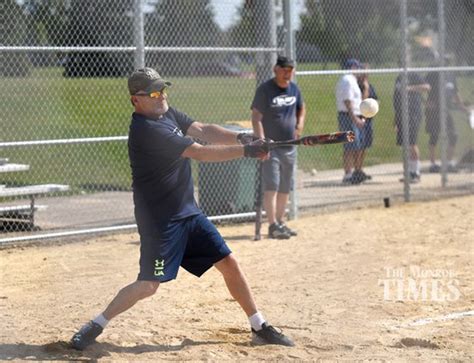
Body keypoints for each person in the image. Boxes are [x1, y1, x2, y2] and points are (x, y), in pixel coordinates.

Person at [70, 67, 294, 350]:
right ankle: (95, 325)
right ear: (136, 100)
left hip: (189, 213)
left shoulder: (167, 114)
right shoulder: (147, 129)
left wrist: (241, 137)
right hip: (161, 222)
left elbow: (203, 130)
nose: (161, 95)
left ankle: (258, 324)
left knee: (229, 264)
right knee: (148, 285)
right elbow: (199, 151)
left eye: (163, 88)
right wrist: (247, 151)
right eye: (153, 92)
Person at [251, 55, 306, 240]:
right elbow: (256, 117)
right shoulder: (265, 90)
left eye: (290, 70)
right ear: (276, 69)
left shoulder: (294, 89)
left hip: (289, 146)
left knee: (285, 186)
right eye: (284, 70)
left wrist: (299, 126)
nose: (287, 74)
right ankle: (272, 225)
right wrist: (262, 141)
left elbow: (302, 107)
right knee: (272, 185)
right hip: (271, 146)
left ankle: (281, 222)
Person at [425, 64, 468, 173]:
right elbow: (423, 86)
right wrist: (426, 102)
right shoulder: (433, 73)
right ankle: (433, 164)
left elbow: (455, 93)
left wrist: (462, 107)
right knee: (434, 135)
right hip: (434, 111)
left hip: (445, 111)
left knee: (453, 135)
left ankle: (448, 163)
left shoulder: (451, 75)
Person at [393, 72, 431, 183]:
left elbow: (427, 87)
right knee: (405, 145)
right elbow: (396, 97)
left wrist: (410, 88)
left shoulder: (414, 75)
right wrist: (396, 118)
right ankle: (408, 172)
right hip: (401, 115)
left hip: (413, 113)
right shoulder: (399, 76)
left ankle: (415, 173)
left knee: (412, 143)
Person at [335, 58, 368, 184]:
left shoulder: (352, 80)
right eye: (358, 67)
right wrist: (354, 118)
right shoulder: (347, 80)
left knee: (356, 145)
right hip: (348, 116)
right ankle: (348, 175)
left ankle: (355, 173)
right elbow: (347, 101)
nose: (359, 70)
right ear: (352, 68)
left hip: (354, 115)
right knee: (349, 145)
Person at [357, 63, 378, 181]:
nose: (366, 74)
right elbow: (362, 102)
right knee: (359, 146)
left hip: (369, 120)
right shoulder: (359, 86)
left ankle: (360, 169)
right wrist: (365, 88)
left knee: (364, 146)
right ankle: (357, 170)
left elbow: (375, 99)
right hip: (360, 120)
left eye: (367, 72)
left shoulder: (370, 85)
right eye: (364, 72)